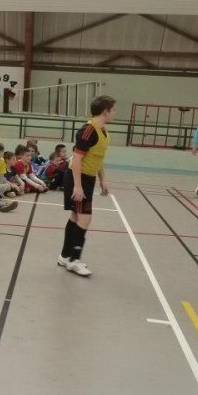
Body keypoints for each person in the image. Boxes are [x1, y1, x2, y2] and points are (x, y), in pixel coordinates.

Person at [59, 95, 116, 277]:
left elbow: (98, 159)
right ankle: (74, 260)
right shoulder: (88, 131)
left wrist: (103, 179)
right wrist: (77, 186)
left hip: (88, 178)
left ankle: (65, 256)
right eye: (113, 109)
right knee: (85, 218)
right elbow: (77, 159)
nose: (114, 112)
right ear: (105, 111)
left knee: (76, 216)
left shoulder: (103, 132)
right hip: (78, 177)